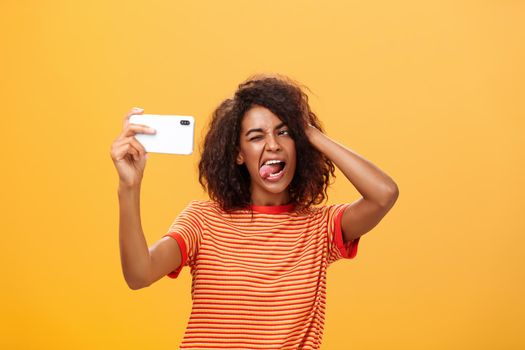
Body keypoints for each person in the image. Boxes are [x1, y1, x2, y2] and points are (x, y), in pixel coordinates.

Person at [110, 74, 399, 349]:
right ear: (238, 153)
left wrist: (308, 131)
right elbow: (139, 274)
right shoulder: (202, 220)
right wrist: (129, 186)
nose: (273, 145)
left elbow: (383, 194)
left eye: (284, 132)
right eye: (257, 137)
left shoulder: (320, 227)